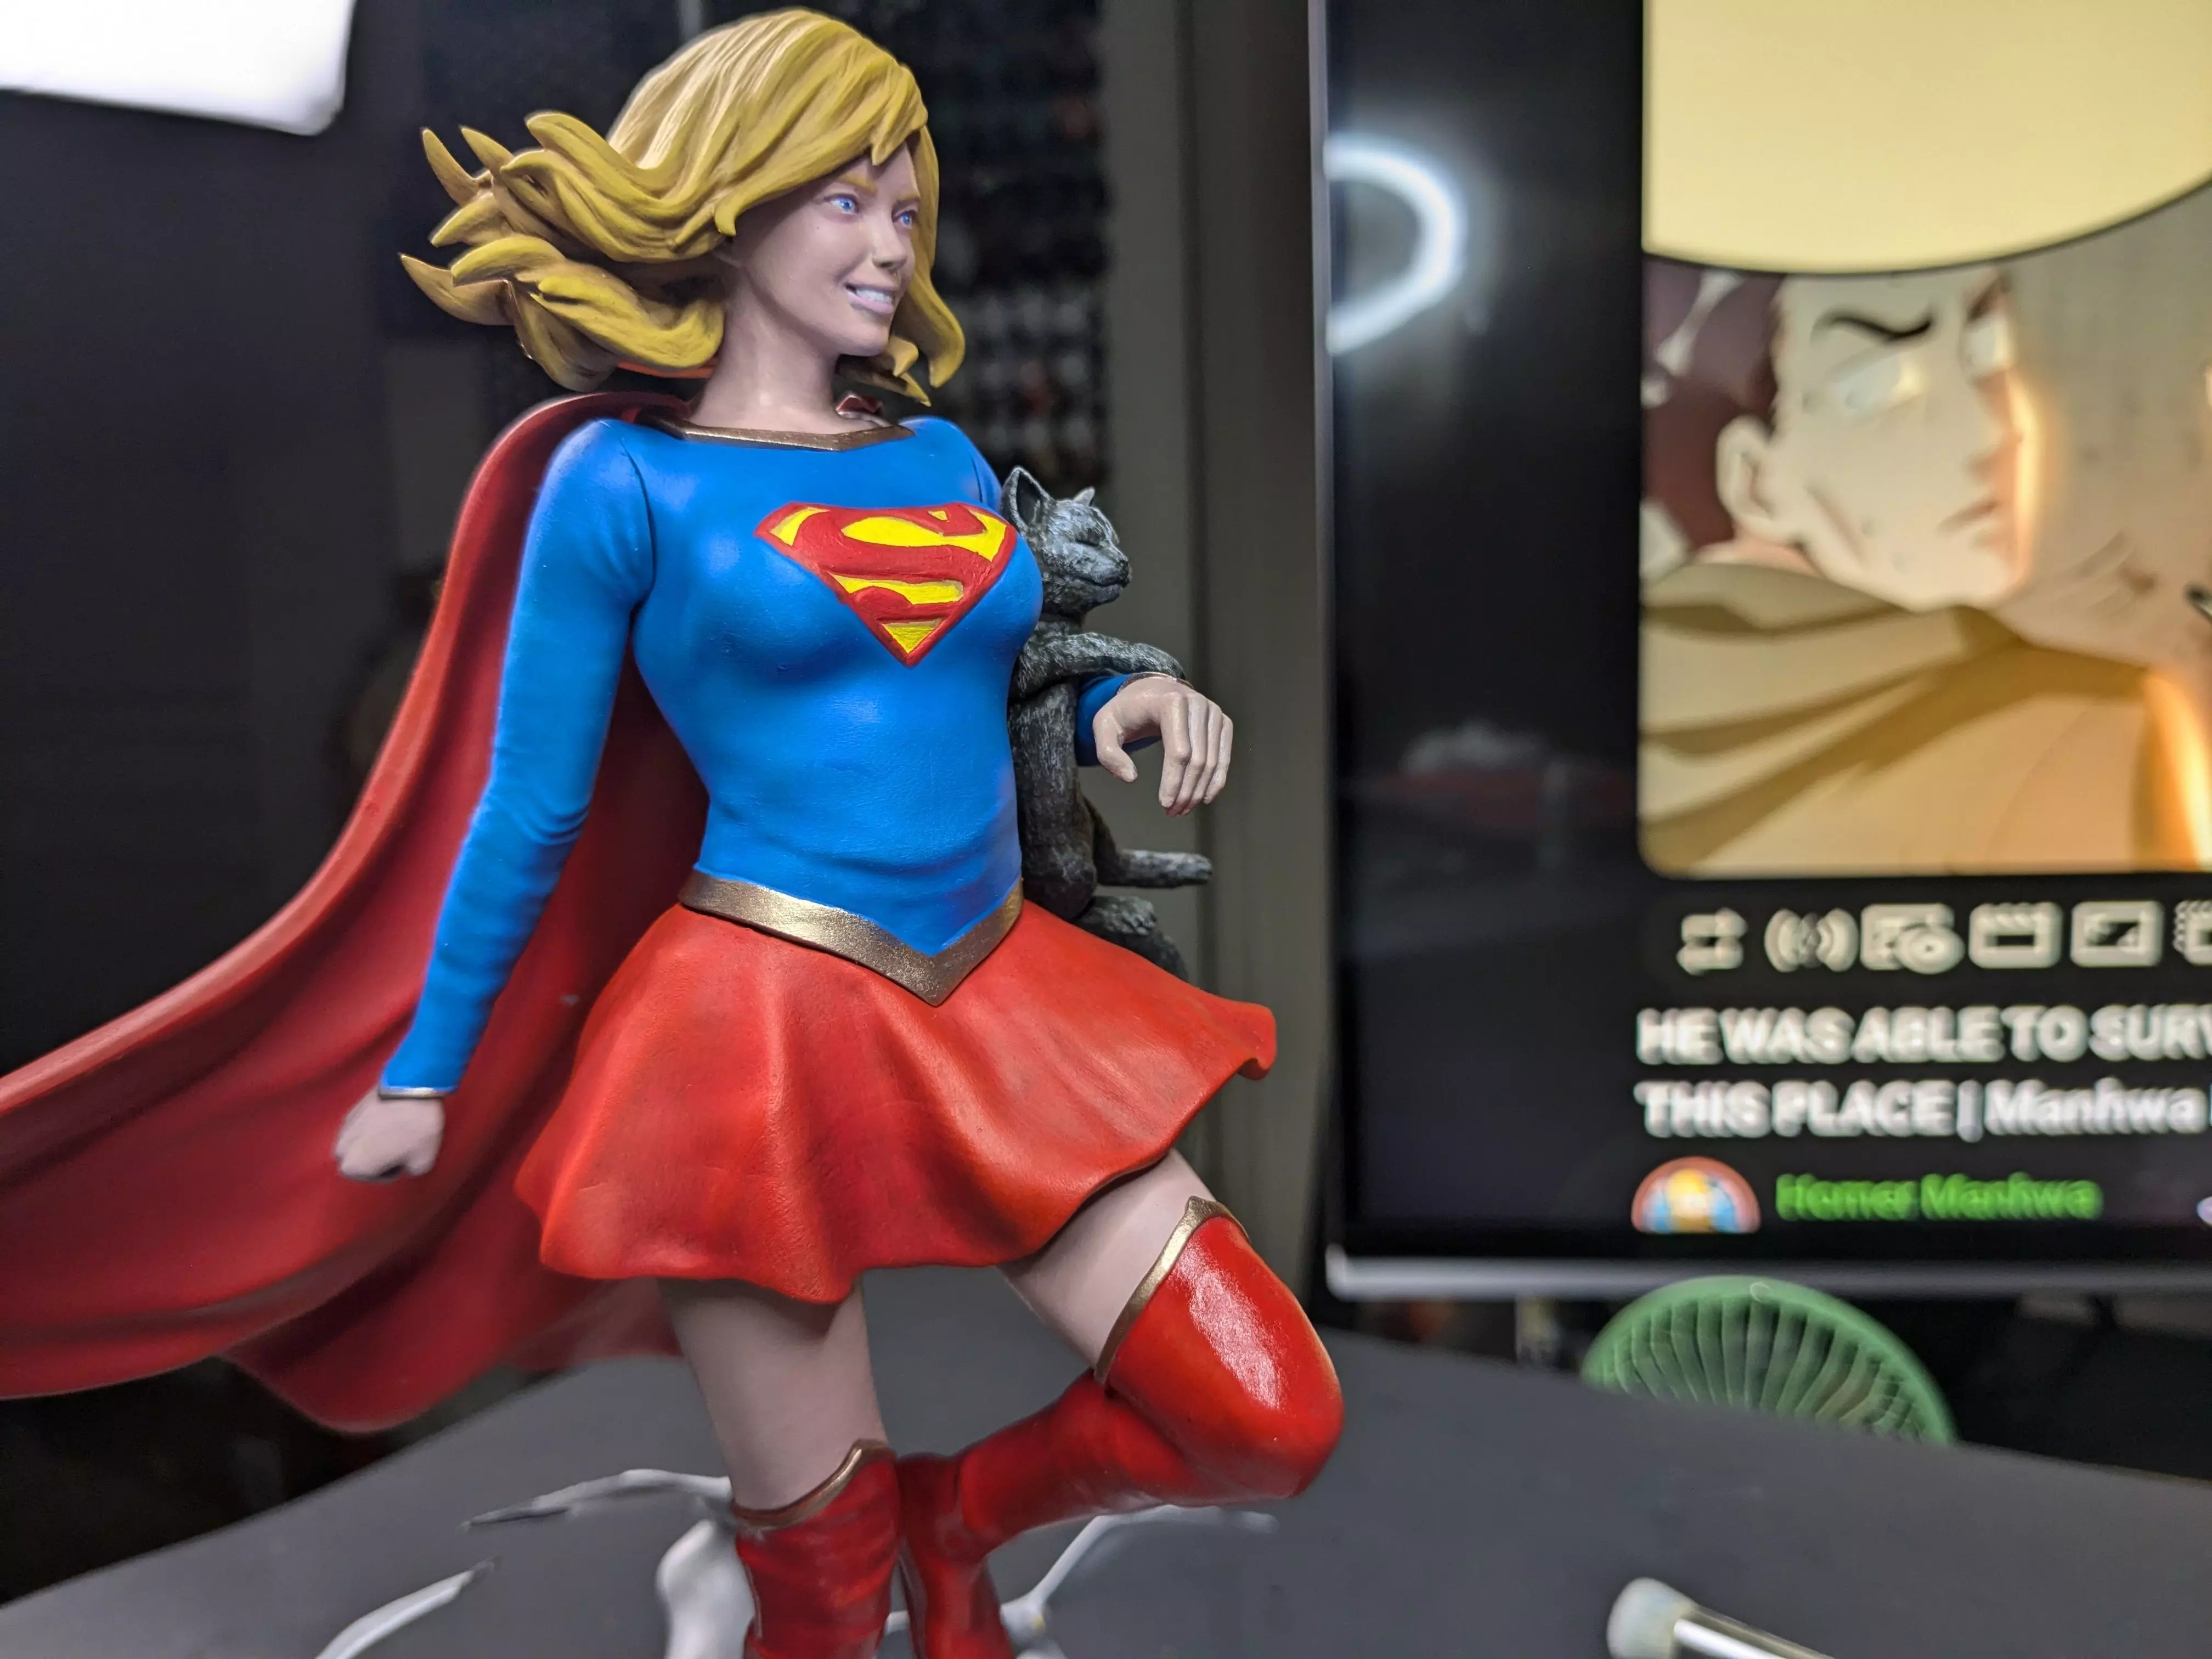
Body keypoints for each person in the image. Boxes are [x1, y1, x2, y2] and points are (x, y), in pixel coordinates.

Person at [0, 14, 1340, 1658]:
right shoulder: (622, 485)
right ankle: (886, 1550)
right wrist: (424, 1072)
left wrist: (1114, 708)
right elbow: (532, 807)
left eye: (905, 208)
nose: (889, 244)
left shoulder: (931, 452)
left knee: (1264, 1414)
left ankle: (962, 1518)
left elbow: (961, 690)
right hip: (757, 1038)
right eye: (845, 199)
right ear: (734, 196)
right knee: (825, 1595)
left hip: (998, 999)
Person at [1640, 262, 2208, 873]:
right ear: (1752, 479)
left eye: (1987, 352)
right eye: (1877, 390)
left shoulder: (1622, 699)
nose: (1993, 431)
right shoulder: (2080, 730)